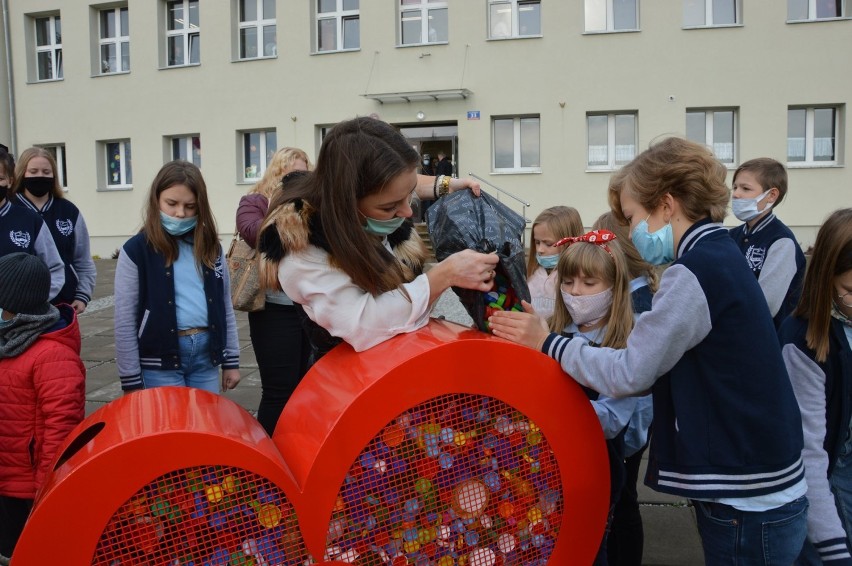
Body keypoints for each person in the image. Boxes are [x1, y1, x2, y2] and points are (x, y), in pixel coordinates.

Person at [489, 137, 808, 565]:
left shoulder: (693, 270)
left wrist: (547, 342)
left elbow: (632, 371)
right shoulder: (720, 252)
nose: (633, 231)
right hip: (760, 477)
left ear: (666, 204)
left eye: (634, 216)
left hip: (746, 494)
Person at [257, 116, 498, 363]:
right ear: (346, 203)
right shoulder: (302, 246)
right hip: (353, 383)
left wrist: (451, 184)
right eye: (389, 207)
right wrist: (444, 275)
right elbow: (362, 325)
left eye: (409, 195)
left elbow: (400, 187)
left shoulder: (367, 200)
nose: (407, 212)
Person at [548, 229, 640, 566]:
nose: (575, 293)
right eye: (569, 282)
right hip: (553, 470)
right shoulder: (554, 332)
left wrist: (553, 410)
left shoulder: (625, 346)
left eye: (589, 284)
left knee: (589, 549)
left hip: (597, 472)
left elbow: (613, 420)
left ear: (614, 287)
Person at [114, 161, 241, 394]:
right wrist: (130, 378)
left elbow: (225, 305)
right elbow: (125, 320)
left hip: (206, 358)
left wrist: (231, 359)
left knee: (205, 426)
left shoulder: (211, 248)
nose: (180, 213)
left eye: (190, 206)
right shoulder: (136, 251)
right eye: (171, 204)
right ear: (156, 200)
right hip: (160, 362)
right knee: (173, 428)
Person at [0, 253, 85, 564]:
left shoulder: (52, 355)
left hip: (27, 487)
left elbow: (61, 427)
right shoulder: (8, 339)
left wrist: (46, 488)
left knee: (25, 553)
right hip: (6, 478)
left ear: (14, 306)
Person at [779, 208, 852, 565]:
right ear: (826, 276)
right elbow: (808, 452)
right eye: (850, 290)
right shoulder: (803, 343)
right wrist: (831, 544)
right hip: (829, 486)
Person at [593, 211, 657, 566]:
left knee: (624, 504)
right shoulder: (638, 292)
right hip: (631, 428)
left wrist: (632, 438)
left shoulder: (634, 305)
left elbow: (639, 382)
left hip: (629, 430)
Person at [236, 147, 311, 436]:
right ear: (276, 174)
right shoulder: (256, 201)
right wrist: (294, 215)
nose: (296, 181)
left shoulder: (312, 204)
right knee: (279, 390)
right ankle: (271, 454)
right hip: (274, 311)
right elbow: (252, 231)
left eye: (303, 175)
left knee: (307, 386)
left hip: (308, 308)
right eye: (290, 174)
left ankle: (299, 448)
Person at [12, 147, 96, 314]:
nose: (40, 176)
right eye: (33, 171)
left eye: (46, 171)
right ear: (22, 173)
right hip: (17, 307)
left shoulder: (69, 211)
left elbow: (83, 260)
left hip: (63, 304)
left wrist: (82, 295)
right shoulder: (10, 209)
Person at [729, 157, 806, 329]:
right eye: (734, 187)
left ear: (771, 195)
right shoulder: (732, 236)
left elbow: (765, 304)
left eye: (745, 188)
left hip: (768, 340)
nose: (736, 194)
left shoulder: (781, 241)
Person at [0, 148, 64, 300]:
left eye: (0, 178)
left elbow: (55, 267)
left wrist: (34, 302)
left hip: (20, 316)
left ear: (10, 181)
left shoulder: (30, 219)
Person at [526, 206, 584, 319]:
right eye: (537, 242)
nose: (540, 250)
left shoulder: (576, 278)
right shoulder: (531, 272)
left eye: (548, 244)